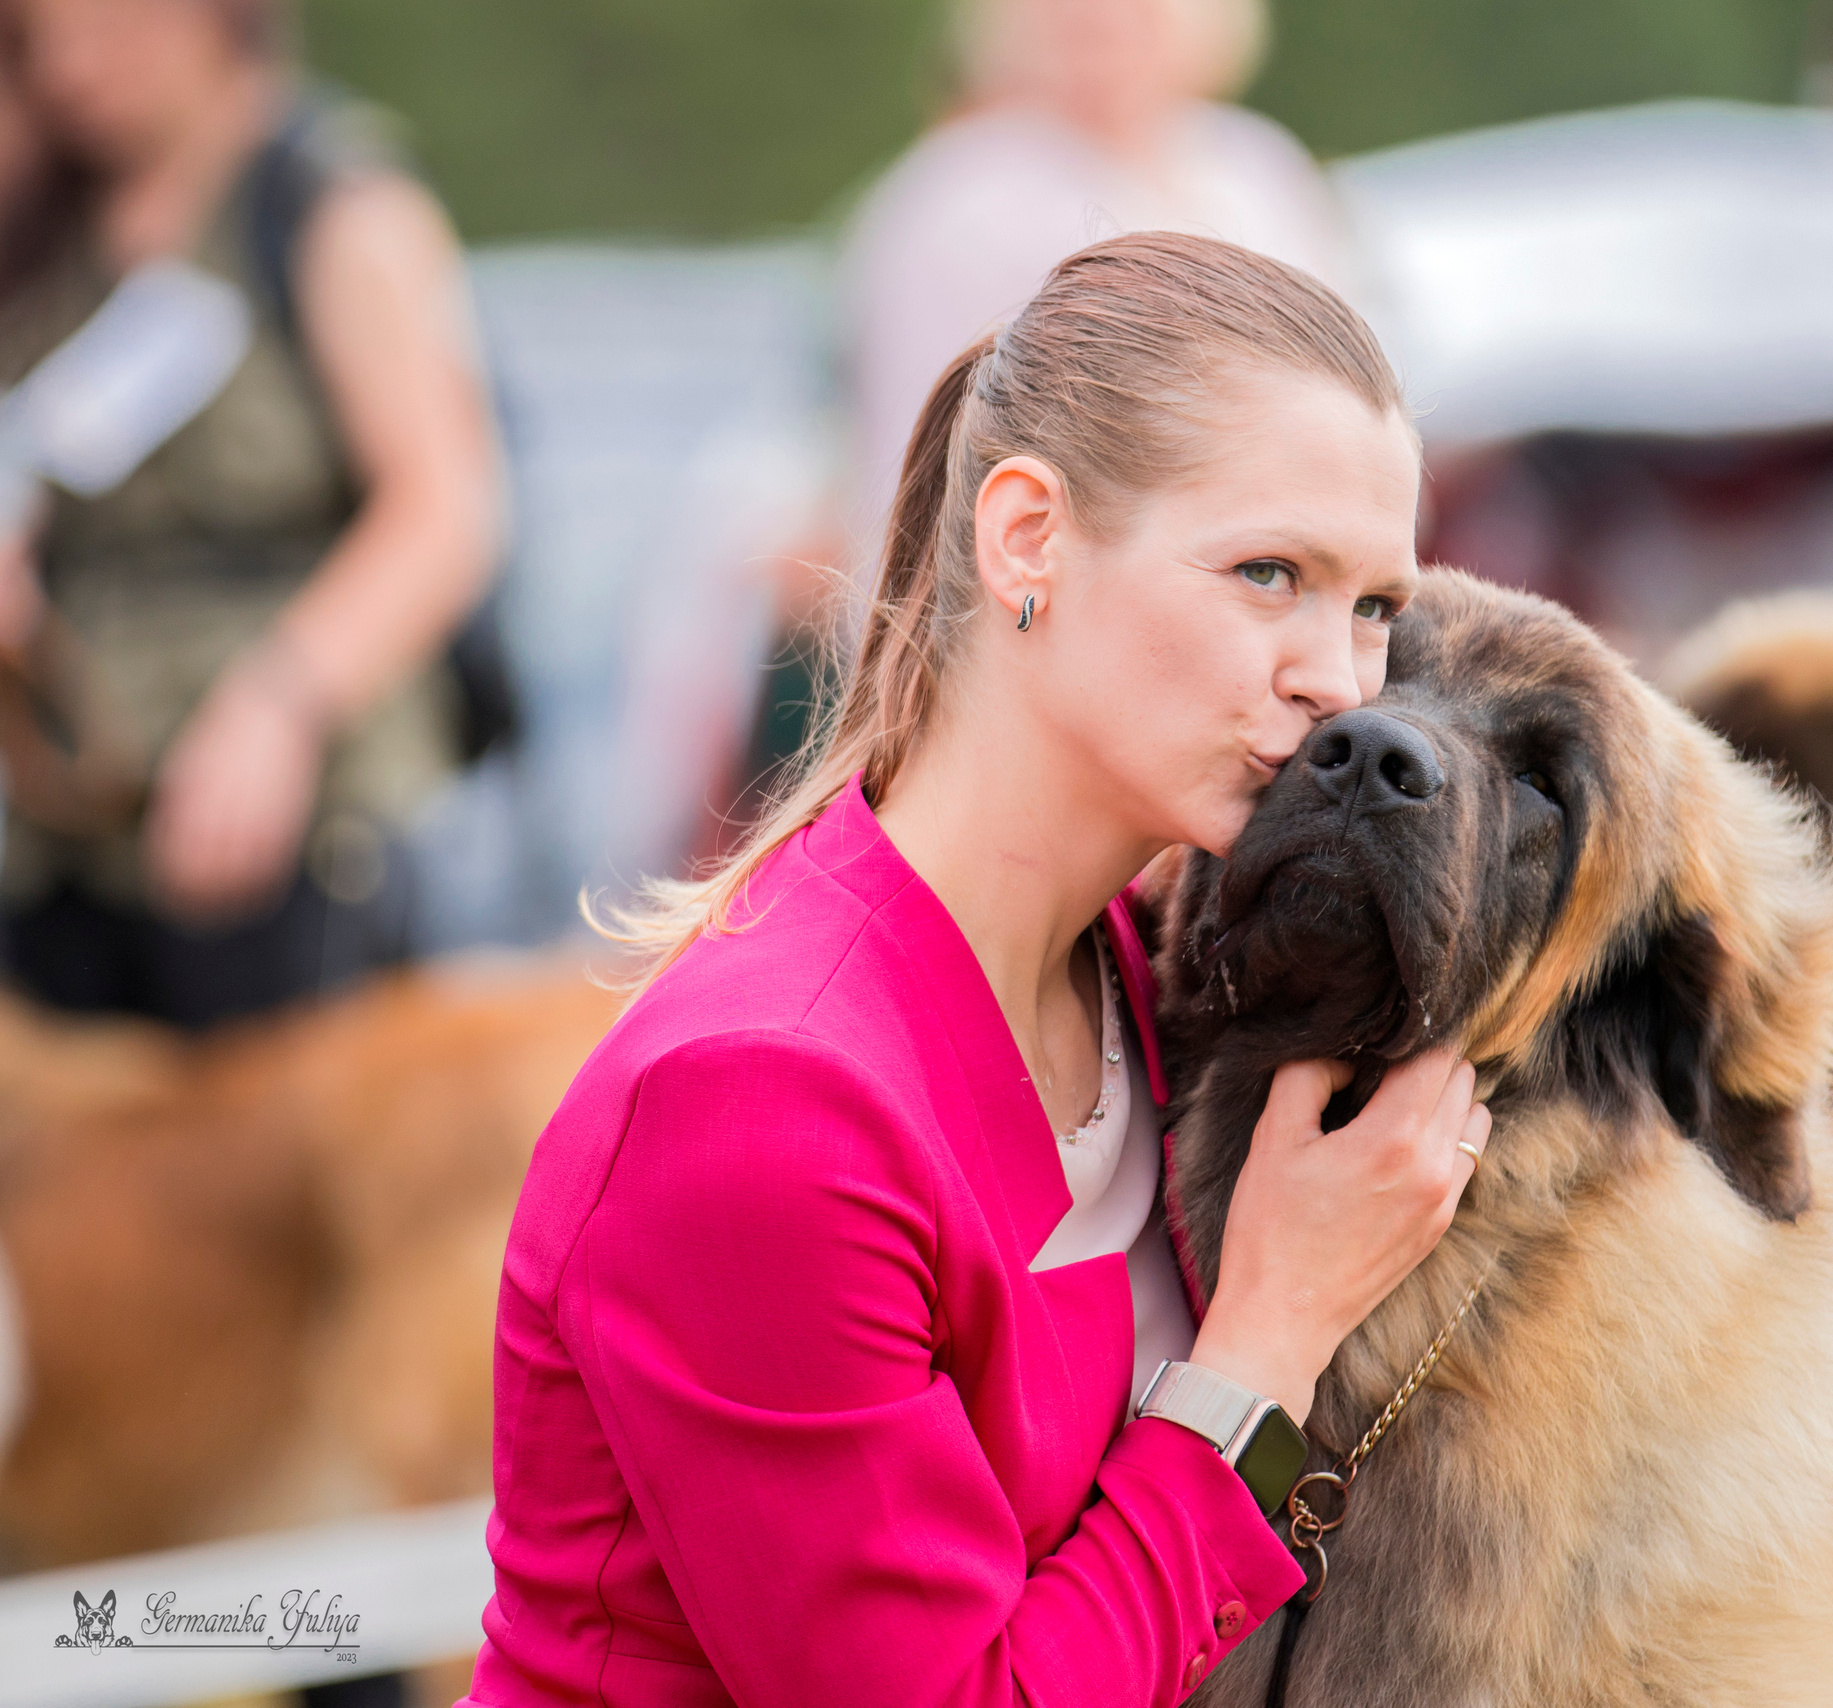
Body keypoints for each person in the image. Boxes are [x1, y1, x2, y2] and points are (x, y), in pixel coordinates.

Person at [464, 233, 1489, 1708]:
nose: (1339, 676)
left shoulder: (1153, 968)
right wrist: (1272, 1329)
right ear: (1027, 540)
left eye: (1374, 607)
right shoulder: (760, 1102)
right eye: (1273, 573)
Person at [0, 0, 502, 1025]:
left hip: (293, 834)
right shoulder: (52, 215)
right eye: (34, 40)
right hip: (75, 837)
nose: (68, 71)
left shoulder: (330, 203)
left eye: (101, 31)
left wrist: (279, 705)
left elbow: (447, 509)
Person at [832, 0, 1353, 591]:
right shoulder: (954, 202)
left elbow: (1351, 380)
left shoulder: (1257, 169)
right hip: (1075, 588)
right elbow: (920, 458)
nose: (1103, 20)